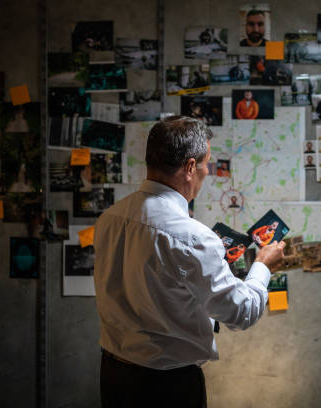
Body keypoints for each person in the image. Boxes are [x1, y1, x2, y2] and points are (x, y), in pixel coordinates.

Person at [94, 116, 285, 408]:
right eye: (207, 163)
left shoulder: (111, 218)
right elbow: (241, 313)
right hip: (166, 389)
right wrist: (263, 265)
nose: (208, 171)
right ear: (191, 167)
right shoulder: (193, 237)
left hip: (113, 377)